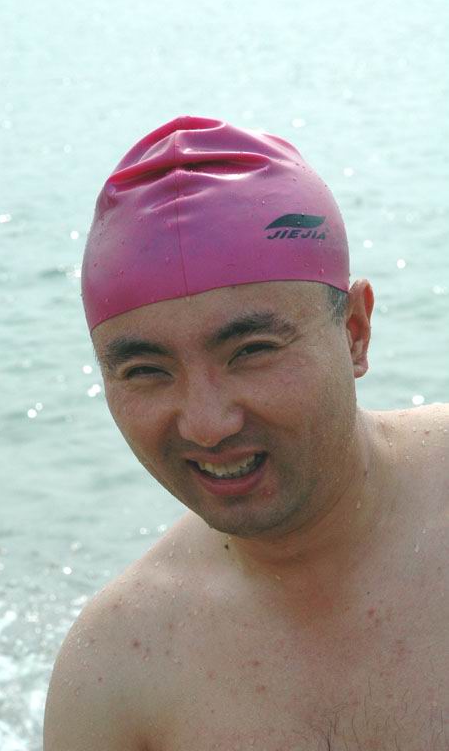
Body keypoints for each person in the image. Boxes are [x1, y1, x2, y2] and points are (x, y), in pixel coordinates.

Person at [43, 116, 449, 750]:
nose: (207, 425)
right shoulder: (116, 674)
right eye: (146, 370)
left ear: (355, 333)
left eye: (252, 350)